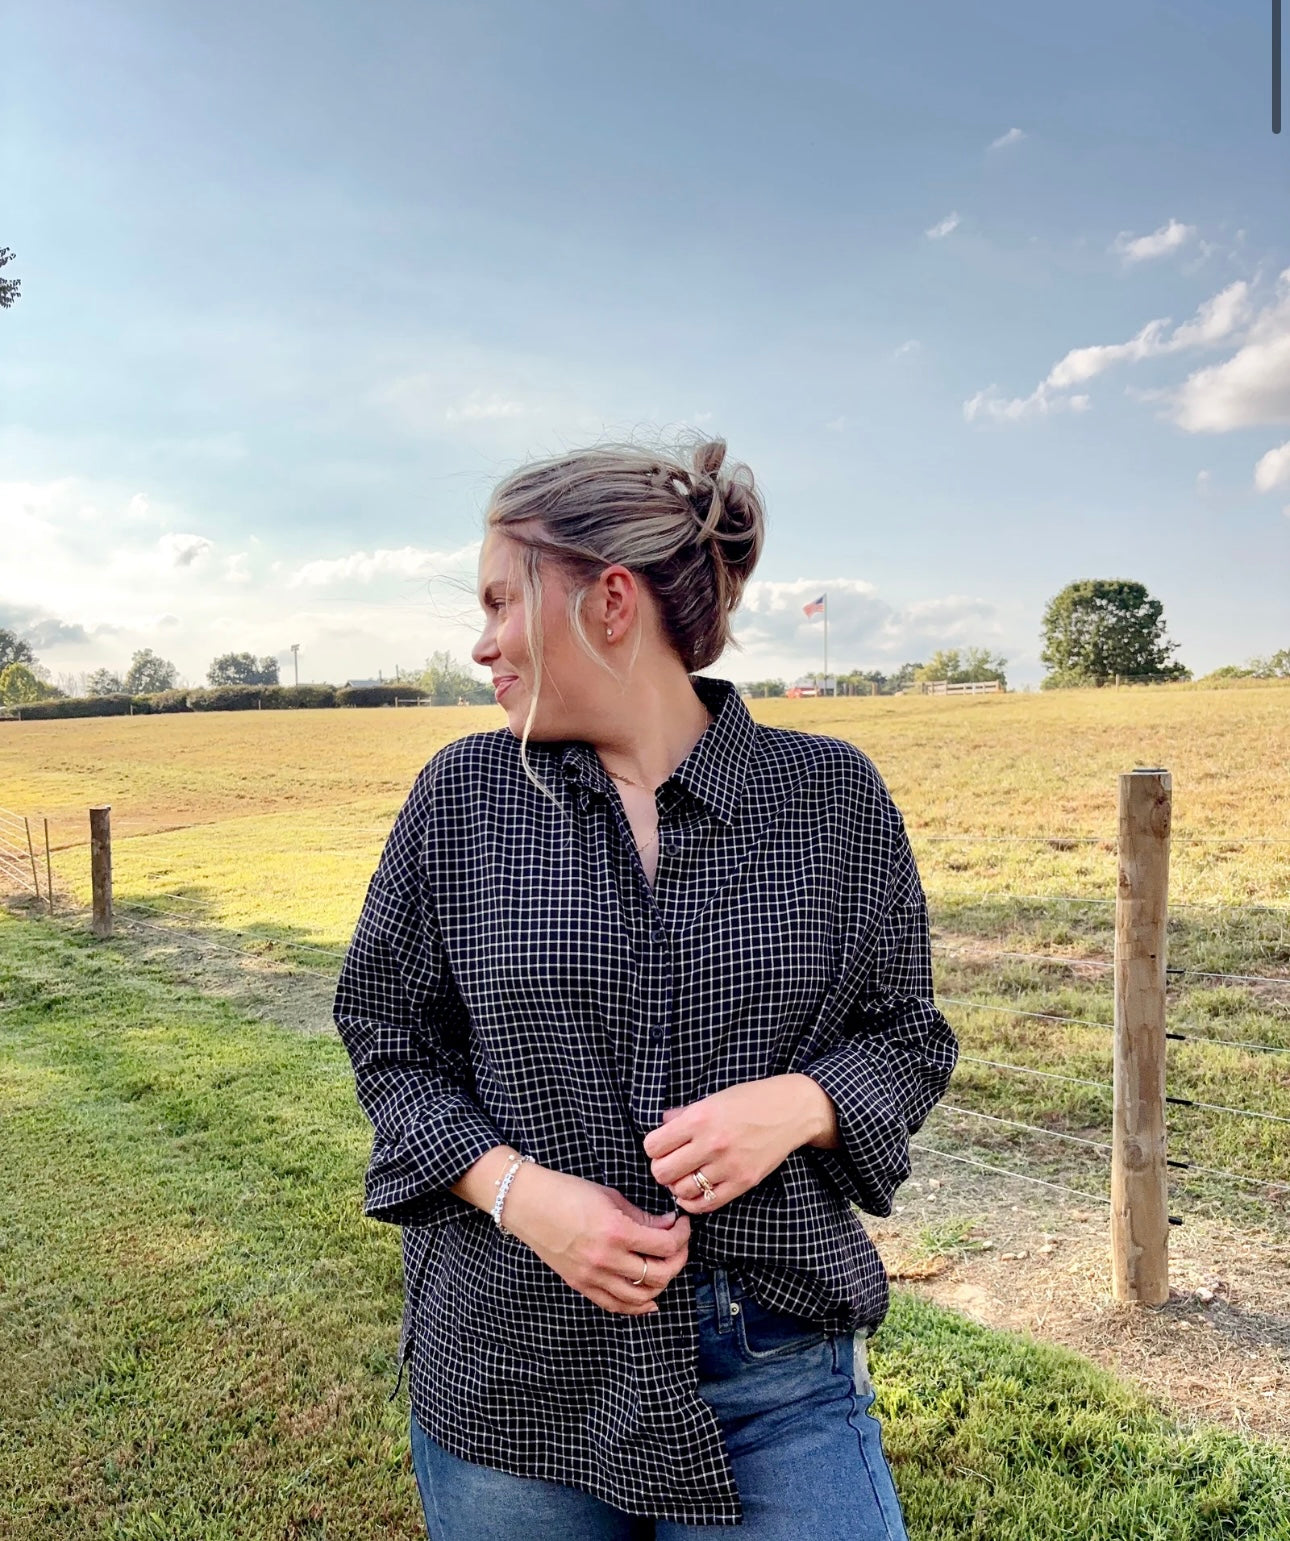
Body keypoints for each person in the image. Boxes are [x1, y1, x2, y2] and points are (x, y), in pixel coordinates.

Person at [332, 436, 958, 1538]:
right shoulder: (465, 798)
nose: (481, 646)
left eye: (497, 602)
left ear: (609, 600)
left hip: (775, 1373)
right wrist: (523, 1194)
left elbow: (906, 1034)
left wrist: (802, 1104)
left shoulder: (832, 799)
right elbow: (386, 1037)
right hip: (511, 1365)